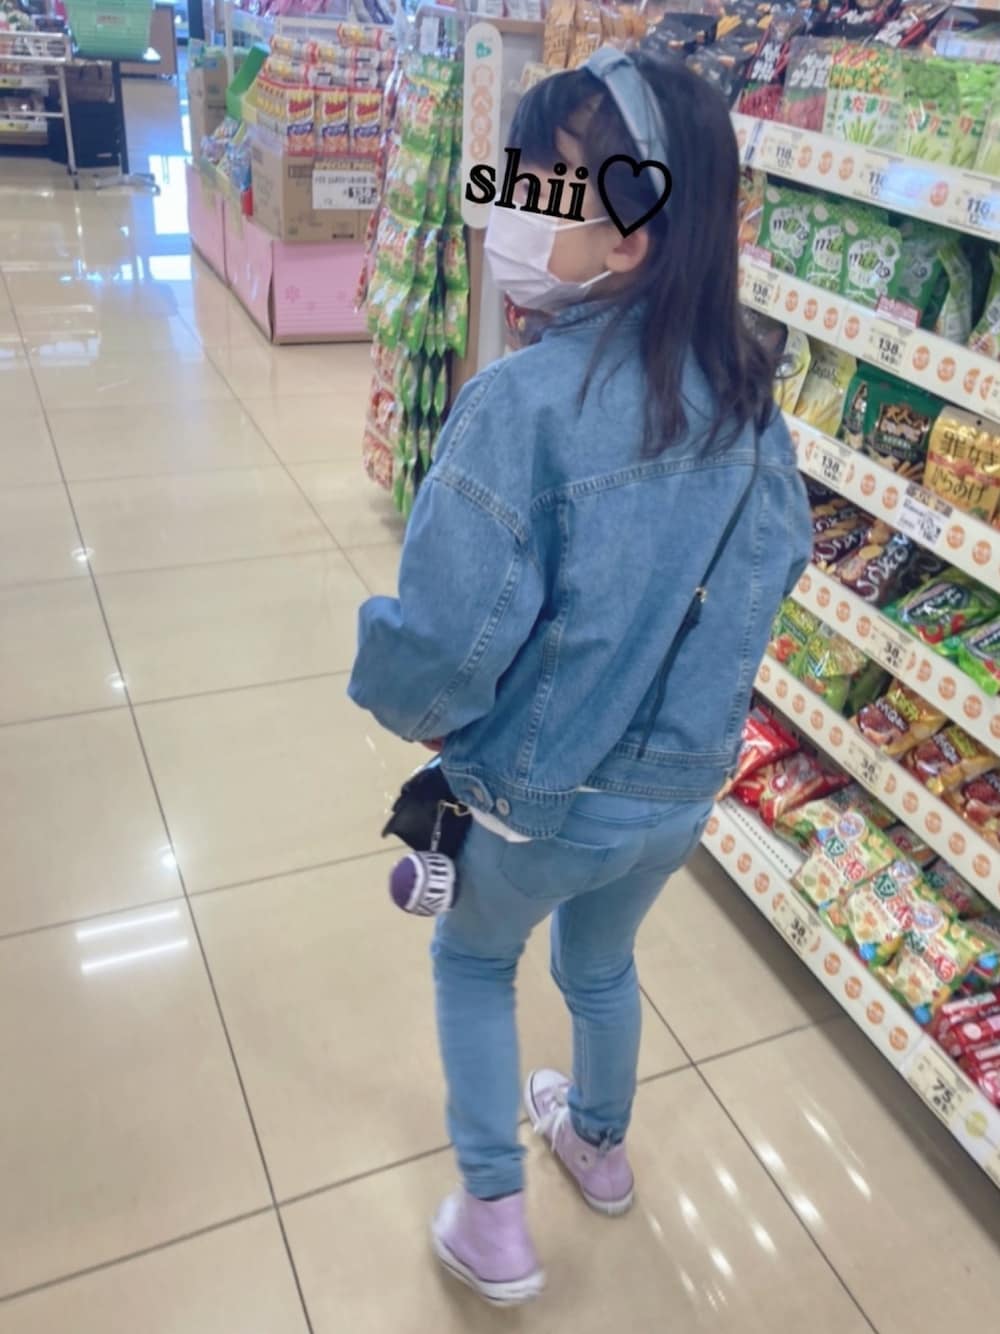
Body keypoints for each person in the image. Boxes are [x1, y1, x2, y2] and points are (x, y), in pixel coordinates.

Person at [349, 47, 813, 1306]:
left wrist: (410, 704)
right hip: (674, 795)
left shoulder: (521, 403)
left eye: (538, 188)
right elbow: (776, 564)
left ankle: (494, 1215)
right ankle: (598, 1144)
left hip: (537, 797)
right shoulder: (750, 395)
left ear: (633, 233)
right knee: (600, 964)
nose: (504, 206)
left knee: (473, 960)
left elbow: (443, 640)